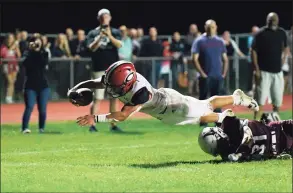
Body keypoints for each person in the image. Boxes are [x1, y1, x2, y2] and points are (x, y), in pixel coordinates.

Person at [67, 60, 259, 128]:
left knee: (202, 115)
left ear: (128, 82)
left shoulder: (139, 92)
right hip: (163, 109)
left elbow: (123, 116)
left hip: (172, 105)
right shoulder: (118, 78)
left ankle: (226, 116)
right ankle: (236, 98)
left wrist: (95, 118)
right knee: (204, 105)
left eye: (115, 87)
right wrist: (76, 89)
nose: (111, 90)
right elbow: (95, 82)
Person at [198, 112, 293, 162]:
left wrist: (241, 151)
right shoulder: (227, 154)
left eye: (219, 144)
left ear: (218, 133)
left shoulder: (229, 124)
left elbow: (247, 132)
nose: (222, 147)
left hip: (280, 130)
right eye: (218, 148)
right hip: (281, 149)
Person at [85, 8, 123, 132]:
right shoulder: (92, 33)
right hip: (98, 68)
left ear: (110, 18)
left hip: (113, 69)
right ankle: (92, 125)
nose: (104, 18)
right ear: (99, 19)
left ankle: (113, 125)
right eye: (102, 16)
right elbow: (91, 48)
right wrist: (100, 37)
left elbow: (119, 45)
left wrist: (109, 35)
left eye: (106, 16)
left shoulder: (115, 32)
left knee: (113, 98)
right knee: (98, 98)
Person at [251, 12, 289, 120]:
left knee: (277, 100)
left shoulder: (282, 33)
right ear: (267, 21)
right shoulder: (260, 33)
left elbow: (285, 48)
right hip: (264, 72)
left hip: (277, 72)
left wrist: (283, 60)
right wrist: (256, 69)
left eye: (274, 20)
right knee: (260, 100)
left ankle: (276, 123)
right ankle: (255, 124)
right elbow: (253, 50)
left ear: (278, 21)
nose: (272, 22)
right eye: (270, 20)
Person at [192, 20, 229, 126]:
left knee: (217, 101)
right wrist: (202, 73)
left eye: (212, 27)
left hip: (217, 76)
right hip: (205, 77)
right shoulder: (199, 41)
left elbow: (225, 59)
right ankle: (203, 122)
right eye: (209, 27)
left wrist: (223, 74)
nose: (211, 29)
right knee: (203, 100)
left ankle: (218, 122)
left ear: (216, 27)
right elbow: (194, 59)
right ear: (205, 27)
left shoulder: (220, 41)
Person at [21, 35, 50, 134]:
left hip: (43, 86)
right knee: (29, 106)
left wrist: (37, 51)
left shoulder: (44, 53)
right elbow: (25, 64)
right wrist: (32, 51)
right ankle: (25, 128)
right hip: (30, 86)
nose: (37, 44)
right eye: (34, 42)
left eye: (38, 42)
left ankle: (41, 128)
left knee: (42, 109)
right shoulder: (27, 53)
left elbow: (43, 63)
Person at [0, 33, 21, 104]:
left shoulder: (15, 46)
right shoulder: (3, 47)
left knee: (13, 82)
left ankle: (10, 98)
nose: (10, 40)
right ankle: (7, 97)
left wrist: (17, 48)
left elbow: (19, 55)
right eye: (9, 38)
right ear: (6, 39)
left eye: (12, 38)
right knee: (10, 81)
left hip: (14, 65)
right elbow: (4, 55)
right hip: (6, 65)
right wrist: (12, 47)